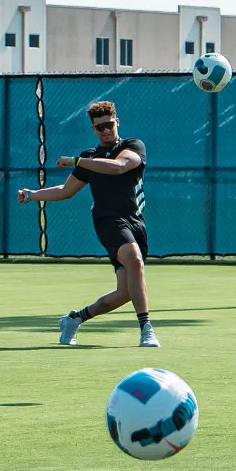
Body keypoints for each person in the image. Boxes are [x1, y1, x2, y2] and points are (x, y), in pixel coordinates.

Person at [18, 100, 160, 348]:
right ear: (93, 130)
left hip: (136, 223)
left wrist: (76, 161)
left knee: (125, 293)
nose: (105, 130)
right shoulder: (89, 157)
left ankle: (75, 319)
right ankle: (146, 329)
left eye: (108, 124)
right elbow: (65, 191)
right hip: (108, 221)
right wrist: (32, 195)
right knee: (134, 260)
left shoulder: (132, 146)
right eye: (98, 127)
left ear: (117, 121)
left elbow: (119, 167)